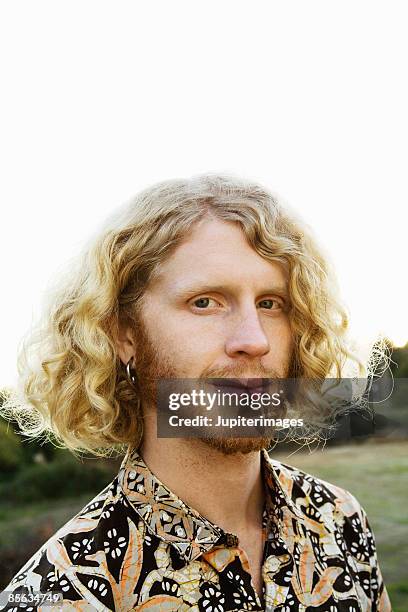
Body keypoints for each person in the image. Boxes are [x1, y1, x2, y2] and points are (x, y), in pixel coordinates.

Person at [1, 175, 391, 611]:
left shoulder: (339, 519)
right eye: (205, 302)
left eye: (270, 303)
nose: (254, 339)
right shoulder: (58, 595)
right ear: (124, 334)